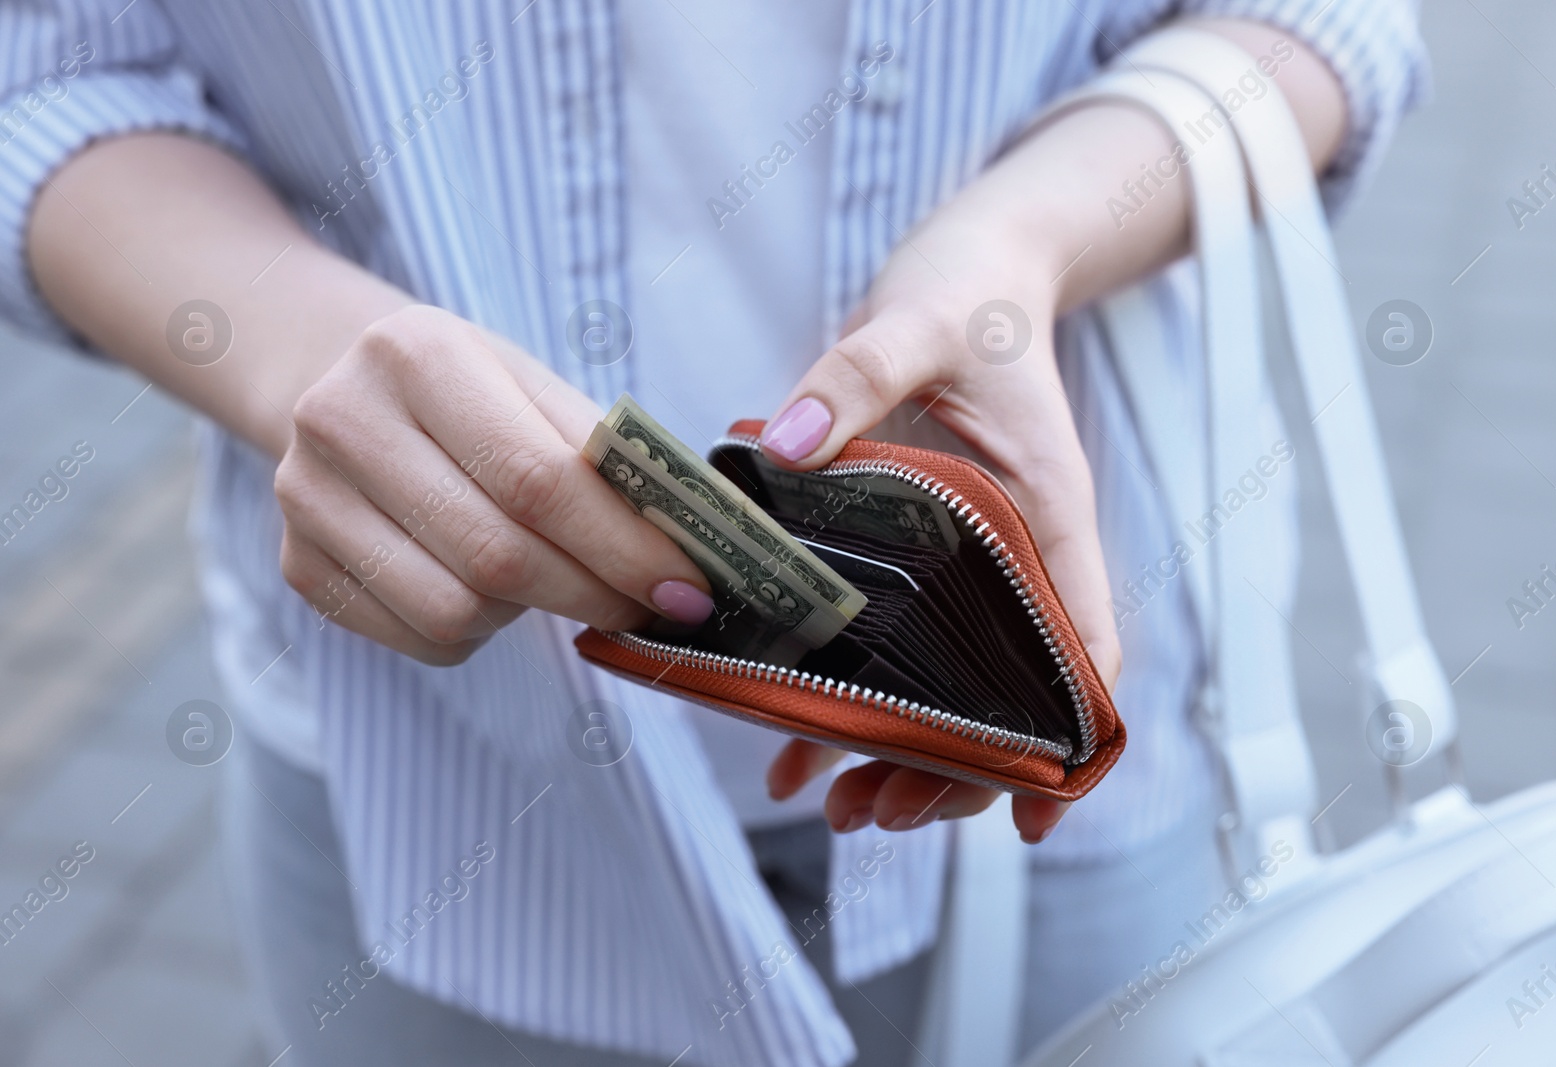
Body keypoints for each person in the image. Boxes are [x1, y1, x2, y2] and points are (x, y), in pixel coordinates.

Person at [0, 1, 1423, 1063]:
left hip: (1044, 761)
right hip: (431, 777)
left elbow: (1317, 24)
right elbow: (50, 70)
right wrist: (306, 353)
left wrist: (1023, 244)